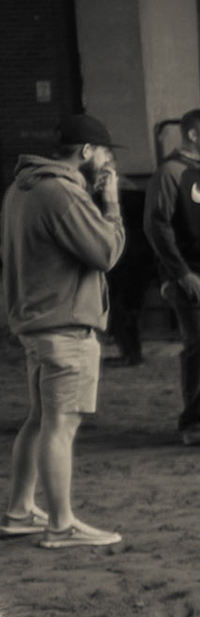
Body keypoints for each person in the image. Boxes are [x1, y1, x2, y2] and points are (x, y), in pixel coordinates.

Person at [2, 114, 128, 547]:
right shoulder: (62, 193)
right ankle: (61, 524)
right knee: (60, 425)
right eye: (107, 153)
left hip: (37, 324)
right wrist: (110, 202)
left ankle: (20, 511)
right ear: (87, 152)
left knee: (39, 421)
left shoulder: (23, 188)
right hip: (65, 327)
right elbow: (106, 252)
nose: (110, 162)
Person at [144, 109, 200, 445]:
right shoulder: (171, 173)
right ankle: (194, 420)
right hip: (191, 276)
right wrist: (181, 274)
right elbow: (156, 226)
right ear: (192, 135)